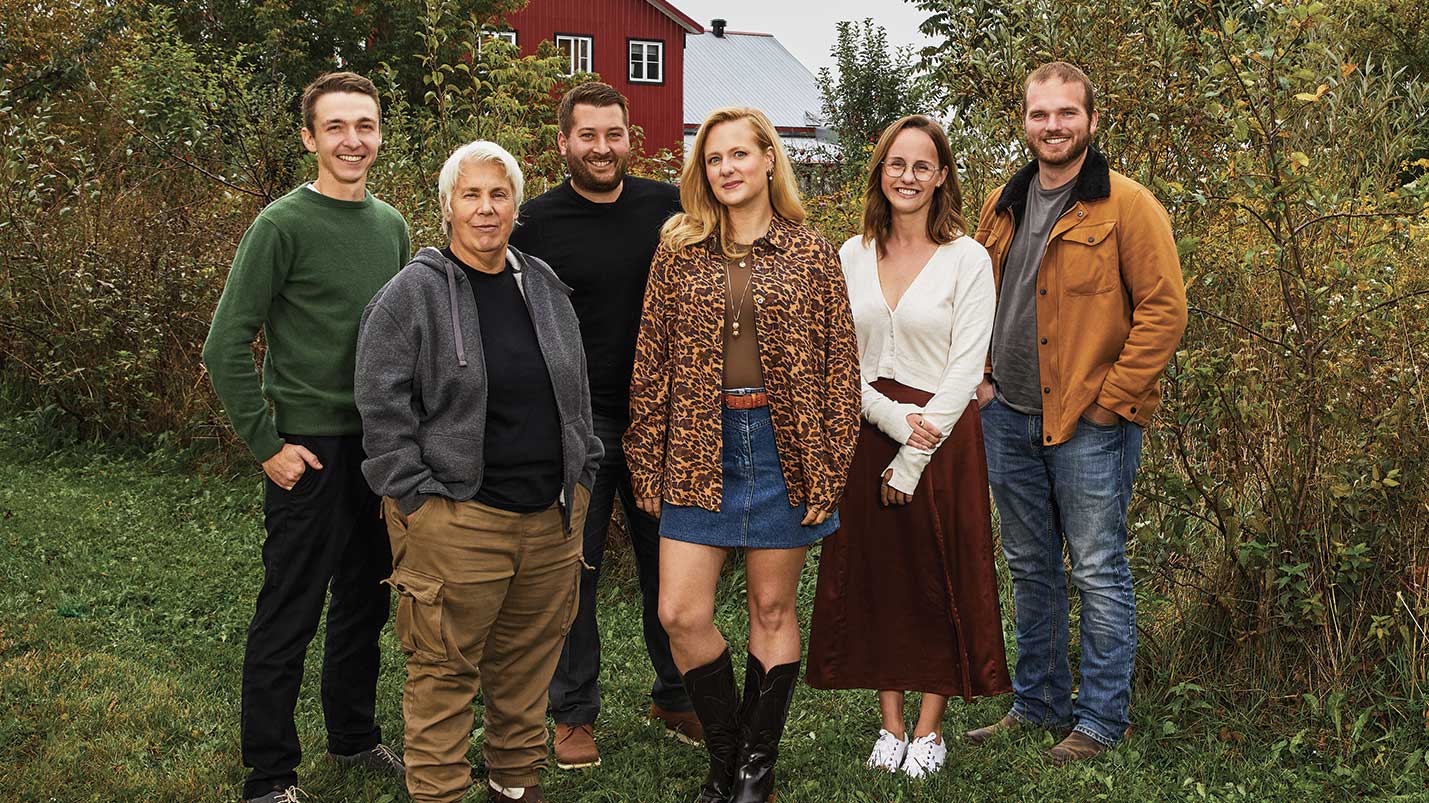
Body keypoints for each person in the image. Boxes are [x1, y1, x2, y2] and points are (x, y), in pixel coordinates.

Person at [625, 106, 860, 803]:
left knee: (771, 608)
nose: (726, 168)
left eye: (738, 154)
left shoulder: (810, 252)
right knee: (680, 611)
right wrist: (646, 459)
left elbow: (839, 369)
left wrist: (830, 465)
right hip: (698, 443)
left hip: (782, 445)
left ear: (767, 159)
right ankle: (725, 757)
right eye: (713, 158)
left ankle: (753, 772)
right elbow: (650, 362)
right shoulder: (678, 247)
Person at [355, 140, 601, 803]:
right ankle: (437, 791)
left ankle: (513, 785)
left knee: (525, 674)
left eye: (498, 194)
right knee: (442, 676)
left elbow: (576, 391)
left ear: (516, 204)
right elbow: (380, 404)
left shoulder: (543, 285)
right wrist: (414, 497)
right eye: (471, 195)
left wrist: (581, 477)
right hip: (457, 519)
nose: (486, 208)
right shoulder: (412, 294)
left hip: (549, 520)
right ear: (446, 207)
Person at [966, 62, 1187, 764]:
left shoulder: (1127, 204)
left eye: (1066, 113)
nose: (1052, 125)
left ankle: (1100, 718)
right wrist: (980, 380)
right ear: (1024, 121)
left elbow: (1164, 309)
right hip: (1007, 416)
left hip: (1089, 424)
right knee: (1030, 565)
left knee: (1096, 567)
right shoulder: (1001, 205)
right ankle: (1036, 702)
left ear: (1091, 121)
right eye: (1040, 114)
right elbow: (978, 299)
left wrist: (1111, 401)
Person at [201, 71, 409, 803]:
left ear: (380, 133)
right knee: (291, 606)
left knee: (366, 600)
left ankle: (352, 735)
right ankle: (269, 773)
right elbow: (225, 343)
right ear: (309, 137)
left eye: (366, 124)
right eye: (337, 127)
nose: (353, 140)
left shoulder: (391, 226)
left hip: (379, 452)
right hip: (309, 449)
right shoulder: (281, 224)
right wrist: (266, 443)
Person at [805, 114, 1011, 778]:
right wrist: (892, 424)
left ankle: (929, 728)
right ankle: (890, 724)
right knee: (876, 578)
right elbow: (839, 361)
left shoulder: (967, 258)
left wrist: (915, 452)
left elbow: (965, 365)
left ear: (942, 175)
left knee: (938, 574)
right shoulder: (849, 253)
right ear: (879, 171)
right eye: (896, 164)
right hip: (866, 431)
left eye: (922, 165)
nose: (908, 177)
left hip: (943, 437)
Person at [508, 82, 693, 770]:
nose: (601, 148)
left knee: (669, 565)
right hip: (574, 428)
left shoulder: (667, 207)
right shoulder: (533, 224)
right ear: (563, 144)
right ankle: (574, 711)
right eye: (586, 136)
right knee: (571, 574)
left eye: (612, 134)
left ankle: (675, 692)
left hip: (660, 420)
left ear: (628, 137)